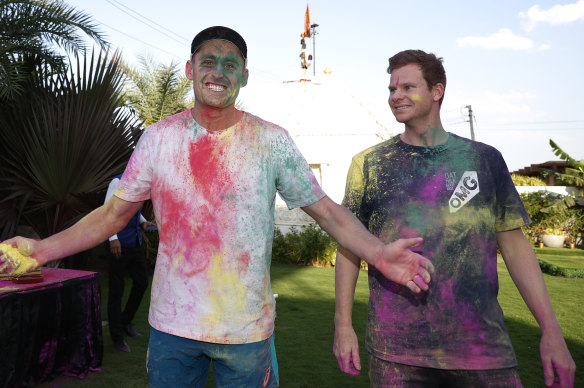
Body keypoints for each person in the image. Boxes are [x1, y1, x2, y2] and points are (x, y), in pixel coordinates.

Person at [0, 27, 434, 387]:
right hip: (173, 328)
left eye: (230, 65)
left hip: (246, 332)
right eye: (209, 61)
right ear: (191, 69)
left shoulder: (271, 140)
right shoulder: (157, 139)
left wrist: (378, 253)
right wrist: (39, 251)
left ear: (244, 76)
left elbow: (325, 210)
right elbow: (112, 215)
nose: (218, 72)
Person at [333, 49, 576, 388]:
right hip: (397, 354)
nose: (396, 96)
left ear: (437, 90)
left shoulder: (484, 160)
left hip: (482, 350)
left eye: (407, 87)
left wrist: (551, 332)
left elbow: (516, 248)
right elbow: (348, 245)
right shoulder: (370, 164)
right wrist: (343, 325)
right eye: (392, 89)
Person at [104, 173, 154, 353]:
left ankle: (125, 321)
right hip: (118, 243)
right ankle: (117, 337)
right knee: (116, 290)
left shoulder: (141, 183)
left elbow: (133, 211)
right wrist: (113, 238)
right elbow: (107, 211)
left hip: (134, 242)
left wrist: (142, 222)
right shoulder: (117, 181)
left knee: (142, 282)